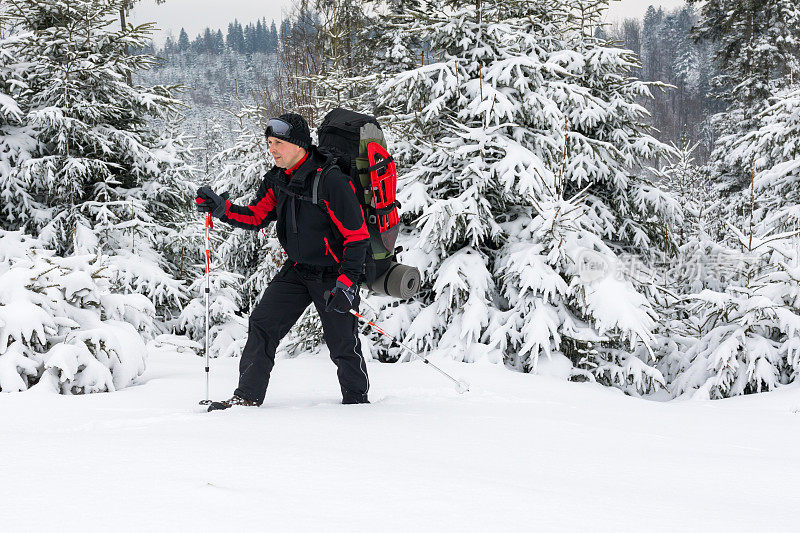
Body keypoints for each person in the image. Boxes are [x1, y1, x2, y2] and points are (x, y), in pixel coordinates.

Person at [195, 113, 371, 409]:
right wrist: (222, 209)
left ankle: (357, 403)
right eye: (269, 143)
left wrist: (347, 282)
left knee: (342, 343)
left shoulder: (331, 181)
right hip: (298, 270)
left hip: (334, 273)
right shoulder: (278, 180)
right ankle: (247, 397)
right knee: (263, 324)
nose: (272, 149)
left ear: (300, 145)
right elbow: (256, 216)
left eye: (278, 143)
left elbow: (357, 235)